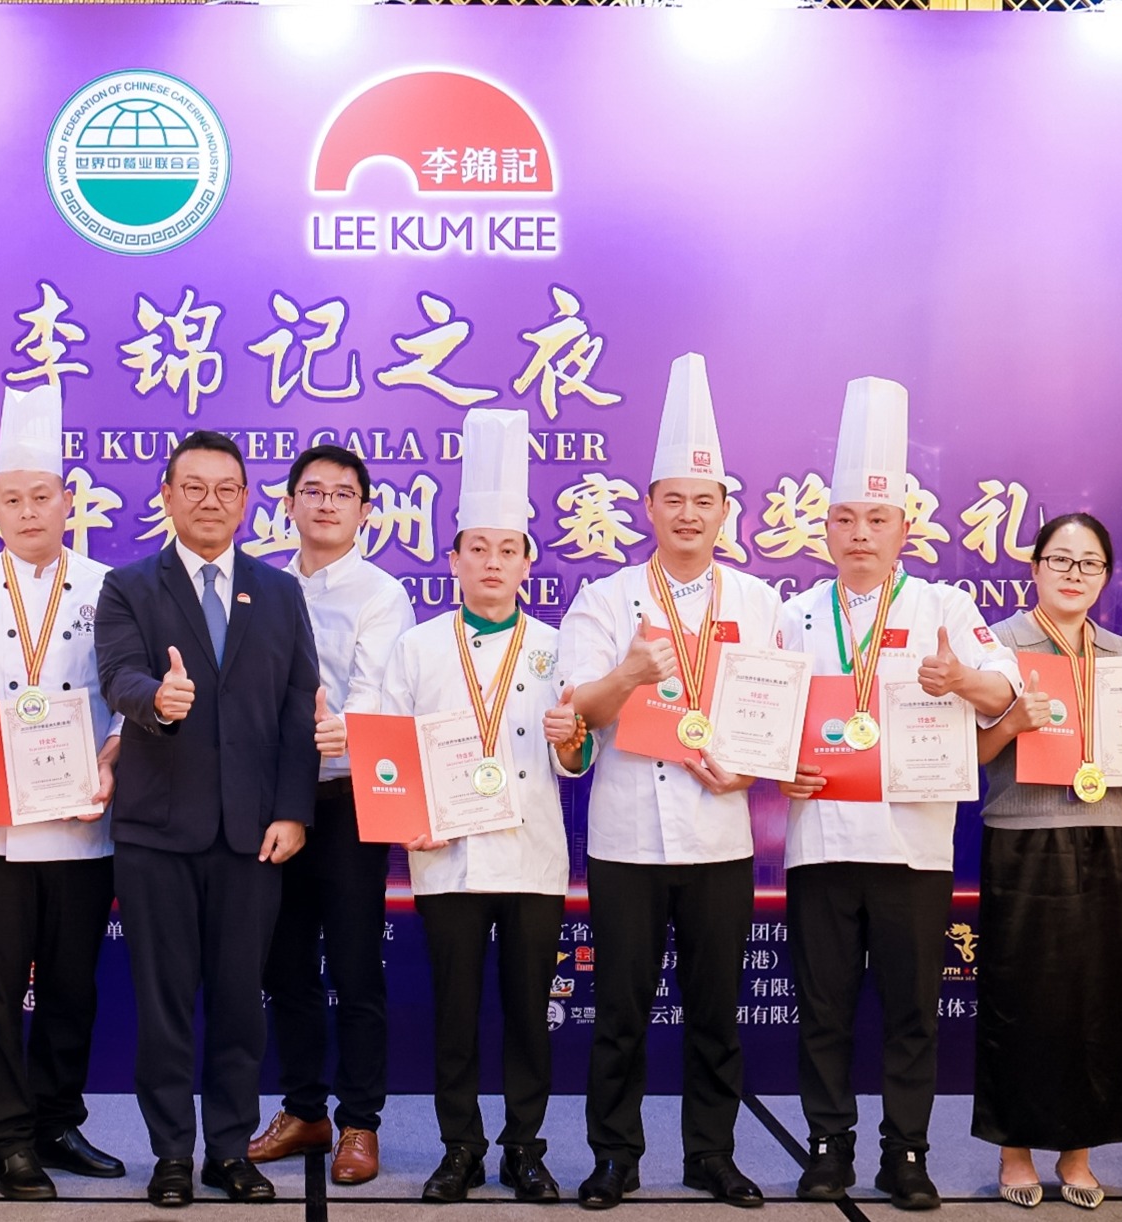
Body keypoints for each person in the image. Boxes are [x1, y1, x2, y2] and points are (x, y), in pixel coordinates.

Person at [773, 377, 1018, 1212]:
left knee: (913, 1011)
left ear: (903, 529)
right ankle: (826, 1148)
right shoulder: (794, 616)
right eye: (844, 520)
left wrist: (962, 678)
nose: (859, 535)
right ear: (826, 529)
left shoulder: (946, 605)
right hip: (820, 842)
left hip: (913, 844)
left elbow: (1006, 693)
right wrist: (778, 767)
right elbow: (758, 722)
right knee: (824, 1009)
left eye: (876, 520)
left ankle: (905, 1154)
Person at [559, 354, 782, 1210]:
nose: (689, 515)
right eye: (673, 500)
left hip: (720, 836)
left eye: (704, 501)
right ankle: (614, 1155)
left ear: (725, 511)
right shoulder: (605, 600)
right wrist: (628, 673)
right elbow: (578, 706)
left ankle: (709, 1156)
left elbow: (776, 710)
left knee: (714, 1014)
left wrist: (751, 765)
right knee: (616, 1015)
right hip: (624, 838)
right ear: (647, 507)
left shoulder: (760, 602)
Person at [94, 429, 321, 1209]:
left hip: (252, 835)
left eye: (226, 488)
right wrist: (154, 700)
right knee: (161, 1009)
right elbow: (117, 673)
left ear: (248, 500)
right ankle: (168, 1154)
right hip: (157, 832)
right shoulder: (129, 586)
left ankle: (228, 1150)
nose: (210, 502)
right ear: (165, 495)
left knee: (236, 1005)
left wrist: (293, 811)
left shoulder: (280, 592)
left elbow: (299, 710)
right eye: (193, 487)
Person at [364, 409, 585, 1205]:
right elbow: (387, 757)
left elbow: (576, 756)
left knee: (530, 1015)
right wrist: (402, 823)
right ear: (451, 558)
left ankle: (525, 1147)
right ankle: (459, 1147)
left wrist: (571, 737)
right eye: (477, 549)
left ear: (528, 561)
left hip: (531, 856)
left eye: (508, 549)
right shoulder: (418, 645)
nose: (492, 562)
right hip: (444, 855)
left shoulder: (561, 646)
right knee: (452, 1016)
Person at [0, 384, 129, 1200]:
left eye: (39, 496)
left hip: (84, 822)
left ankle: (55, 1120)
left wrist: (114, 752)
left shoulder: (111, 587)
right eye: (9, 499)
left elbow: (124, 696)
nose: (25, 512)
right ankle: (6, 1138)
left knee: (73, 985)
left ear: (66, 500)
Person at [970, 512, 1122, 1211]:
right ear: (1033, 569)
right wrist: (1010, 724)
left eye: (1087, 564)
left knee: (1094, 1000)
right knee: (1018, 999)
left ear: (1104, 576)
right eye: (1058, 561)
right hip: (1022, 837)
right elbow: (967, 756)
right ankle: (1013, 1152)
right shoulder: (997, 648)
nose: (1072, 575)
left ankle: (1078, 1154)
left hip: (1101, 836)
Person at [248, 442, 411, 1186]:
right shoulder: (260, 588)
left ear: (363, 510)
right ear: (287, 504)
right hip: (273, 800)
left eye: (341, 494)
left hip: (346, 798)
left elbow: (376, 690)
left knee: (352, 964)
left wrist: (345, 725)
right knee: (284, 967)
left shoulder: (381, 593)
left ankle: (361, 1123)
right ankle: (305, 1108)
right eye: (310, 491)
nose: (324, 504)